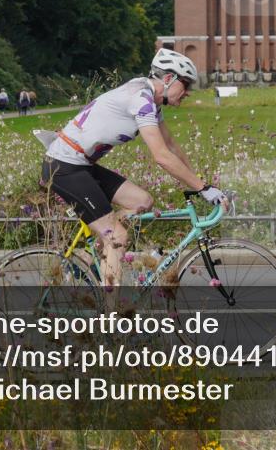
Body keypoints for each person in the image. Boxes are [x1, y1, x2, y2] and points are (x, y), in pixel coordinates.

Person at [41, 49, 230, 296]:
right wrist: (203, 189)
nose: (188, 92)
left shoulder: (148, 98)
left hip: (80, 164)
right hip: (63, 166)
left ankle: (91, 255)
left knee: (142, 201)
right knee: (117, 235)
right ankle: (112, 320)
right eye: (185, 84)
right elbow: (161, 156)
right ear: (168, 79)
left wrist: (201, 184)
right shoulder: (140, 99)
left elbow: (172, 146)